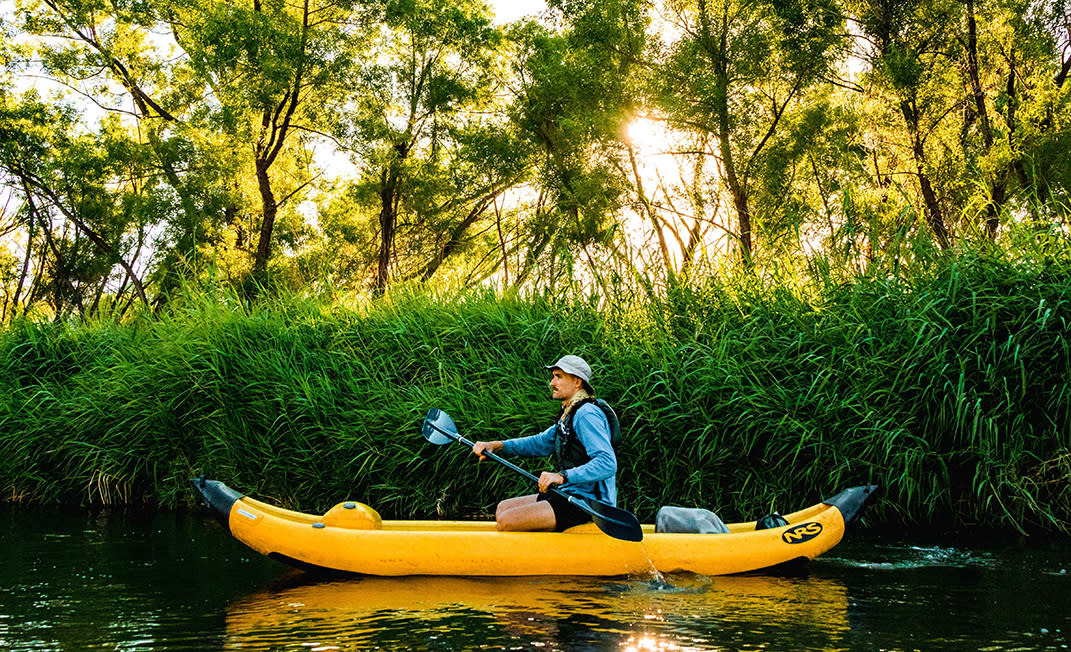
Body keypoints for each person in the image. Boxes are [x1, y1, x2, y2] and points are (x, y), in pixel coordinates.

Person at [471, 355, 617, 532]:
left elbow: (607, 463)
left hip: (590, 504)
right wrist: (497, 445)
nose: (551, 383)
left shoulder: (586, 414)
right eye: (553, 376)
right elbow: (540, 442)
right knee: (502, 508)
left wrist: (562, 476)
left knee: (507, 520)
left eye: (558, 377)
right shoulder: (569, 413)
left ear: (577, 382)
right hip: (569, 495)